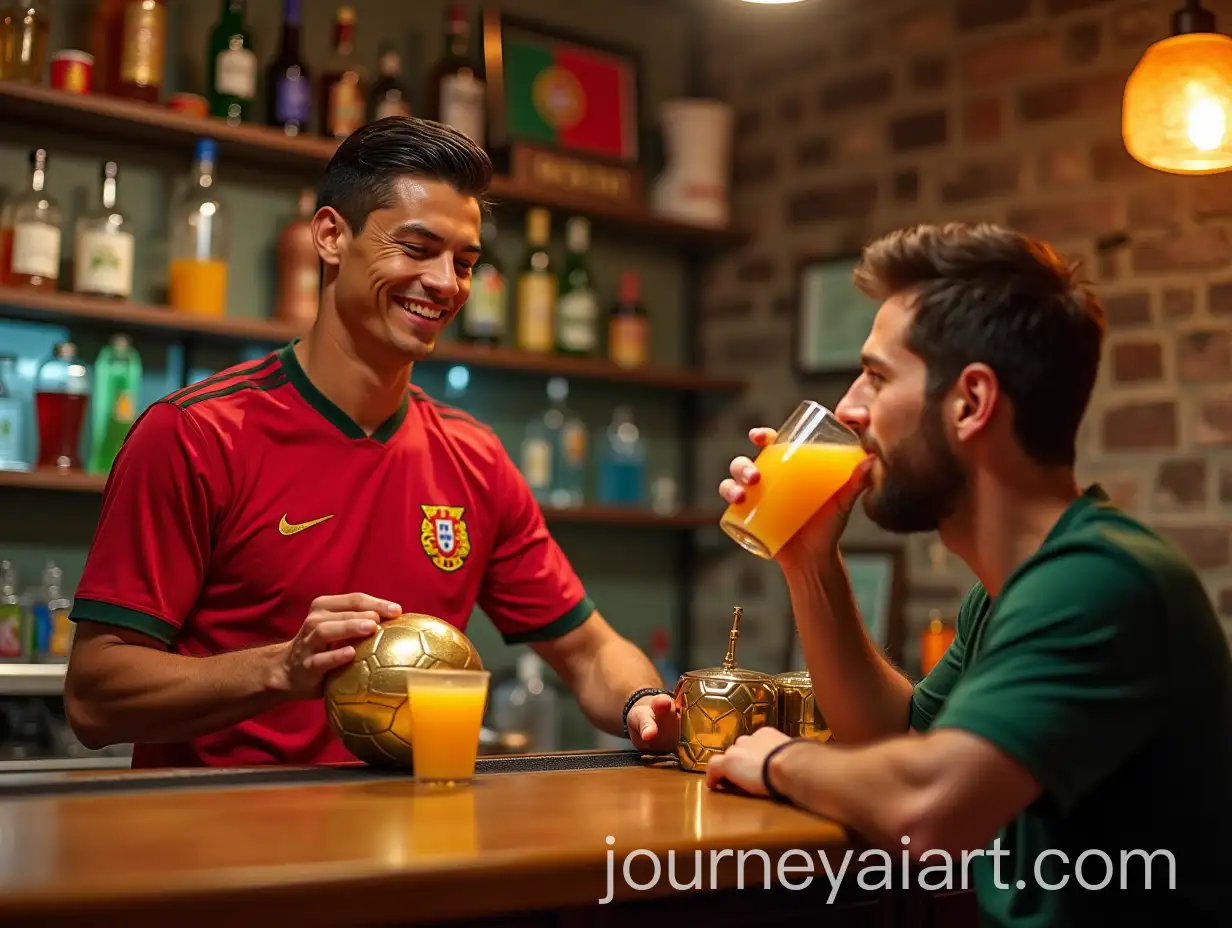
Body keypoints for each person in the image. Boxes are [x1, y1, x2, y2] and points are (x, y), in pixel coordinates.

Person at [62, 117, 678, 767]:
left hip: (409, 851)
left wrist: (642, 703)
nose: (446, 283)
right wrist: (280, 668)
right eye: (417, 248)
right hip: (221, 852)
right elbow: (94, 699)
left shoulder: (476, 458)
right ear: (331, 236)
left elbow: (590, 653)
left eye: (464, 263)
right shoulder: (193, 434)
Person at [707, 223, 1232, 926]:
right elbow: (899, 742)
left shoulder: (1100, 581)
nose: (850, 410)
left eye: (879, 376)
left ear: (971, 403)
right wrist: (811, 565)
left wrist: (779, 760)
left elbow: (926, 806)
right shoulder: (1015, 587)